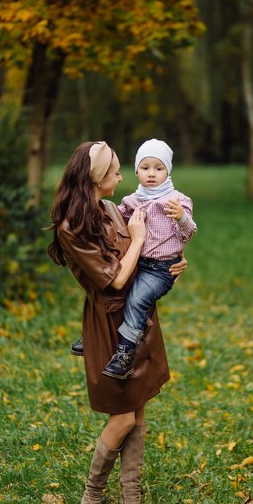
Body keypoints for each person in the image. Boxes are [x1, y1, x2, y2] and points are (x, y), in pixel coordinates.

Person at [47, 141, 187, 504]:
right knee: (122, 417)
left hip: (138, 319)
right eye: (116, 172)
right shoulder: (72, 228)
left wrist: (174, 255)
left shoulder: (110, 208)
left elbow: (147, 251)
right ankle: (92, 494)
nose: (123, 178)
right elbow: (115, 278)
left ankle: (131, 498)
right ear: (96, 179)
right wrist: (139, 239)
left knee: (138, 413)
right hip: (109, 324)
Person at [101, 138, 197, 379]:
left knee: (136, 300)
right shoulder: (132, 201)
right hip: (137, 262)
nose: (151, 174)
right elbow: (114, 222)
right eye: (145, 168)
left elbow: (189, 232)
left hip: (161, 270)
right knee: (114, 294)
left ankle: (125, 353)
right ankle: (96, 337)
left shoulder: (177, 201)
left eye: (158, 168)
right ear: (136, 171)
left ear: (168, 171)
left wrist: (181, 217)